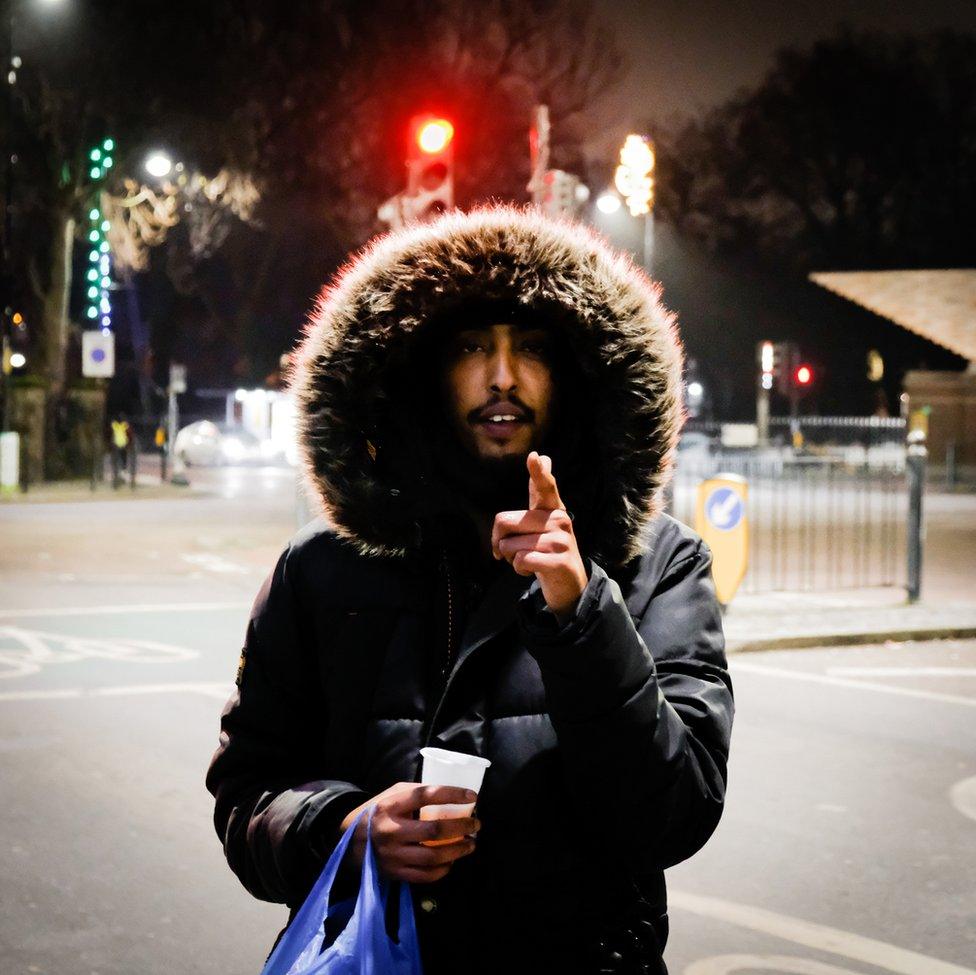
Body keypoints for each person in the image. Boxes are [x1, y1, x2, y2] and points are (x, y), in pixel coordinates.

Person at [206, 207, 734, 975]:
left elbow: (674, 813)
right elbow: (247, 792)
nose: (502, 376)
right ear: (420, 370)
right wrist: (346, 827)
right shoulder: (324, 567)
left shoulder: (656, 562)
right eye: (470, 347)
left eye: (533, 349)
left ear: (580, 375)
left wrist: (582, 612)